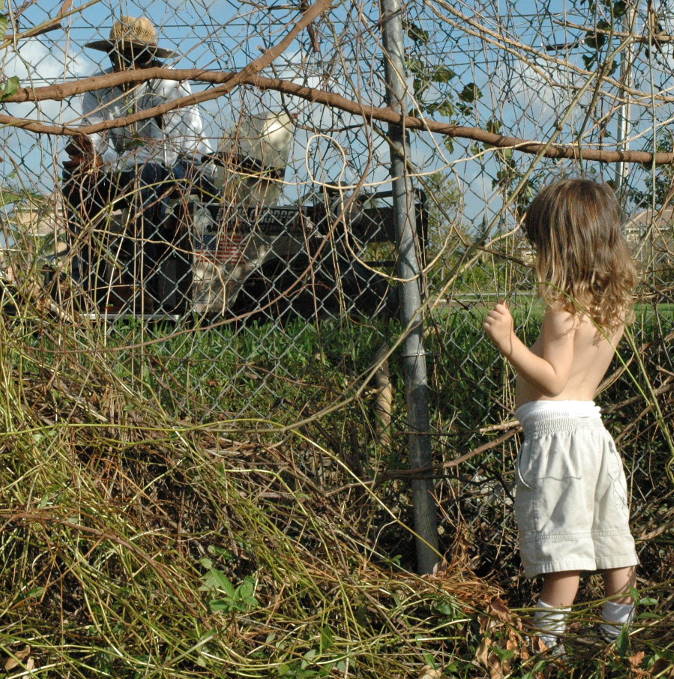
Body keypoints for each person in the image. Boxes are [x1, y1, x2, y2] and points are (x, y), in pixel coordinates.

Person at [483, 178, 639, 652]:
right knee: (613, 542)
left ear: (560, 247)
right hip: (592, 434)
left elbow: (553, 380)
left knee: (563, 553)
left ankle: (545, 649)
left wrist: (508, 341)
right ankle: (617, 640)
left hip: (558, 442)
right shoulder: (615, 304)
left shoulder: (563, 309)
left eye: (540, 244)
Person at [63, 15, 211, 313]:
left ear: (149, 57)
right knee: (77, 183)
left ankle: (146, 285)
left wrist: (105, 162)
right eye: (118, 55)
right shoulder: (100, 87)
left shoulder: (169, 84)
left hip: (185, 167)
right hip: (128, 168)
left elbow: (167, 152)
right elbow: (94, 138)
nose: (125, 64)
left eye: (135, 55)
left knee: (147, 177)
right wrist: (85, 154)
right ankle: (88, 284)